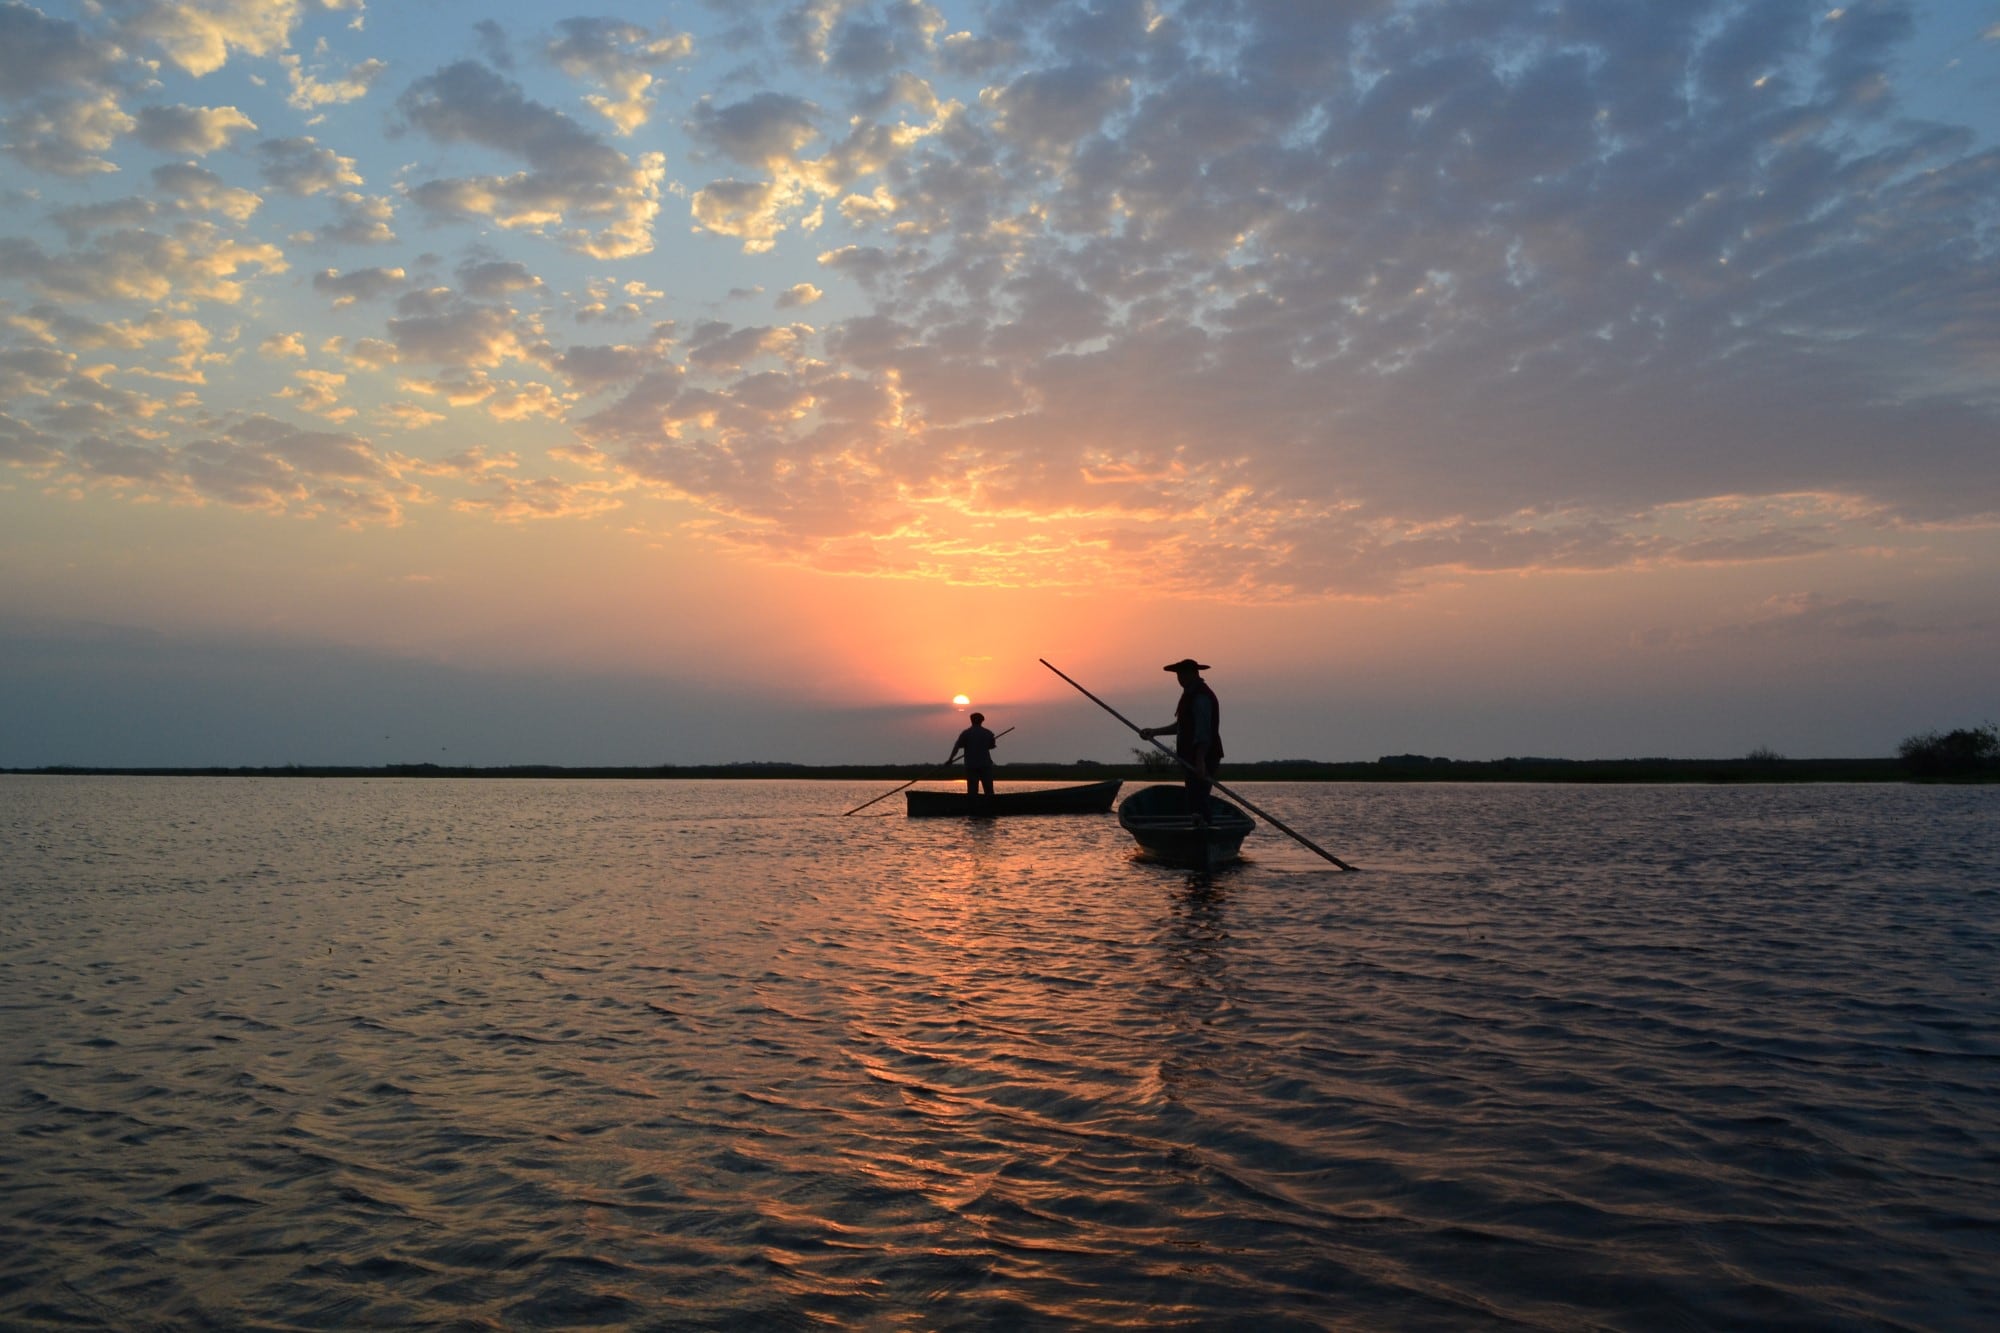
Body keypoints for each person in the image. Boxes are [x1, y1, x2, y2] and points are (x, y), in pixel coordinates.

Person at [1139, 659, 1223, 822]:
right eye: (1178, 674)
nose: (1180, 678)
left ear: (1194, 674)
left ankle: (1203, 832)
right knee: (1194, 799)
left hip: (1204, 757)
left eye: (1183, 674)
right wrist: (1154, 732)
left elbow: (1203, 732)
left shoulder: (1201, 697)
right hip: (1193, 758)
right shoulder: (1189, 695)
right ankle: (1200, 829)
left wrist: (1200, 761)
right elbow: (1182, 726)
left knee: (1198, 800)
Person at [950, 712, 998, 797]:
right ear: (982, 721)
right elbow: (992, 746)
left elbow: (957, 747)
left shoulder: (966, 733)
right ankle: (990, 806)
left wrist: (950, 759)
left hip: (971, 765)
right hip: (985, 765)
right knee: (989, 790)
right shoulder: (988, 733)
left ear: (971, 721)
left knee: (972, 791)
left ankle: (972, 806)